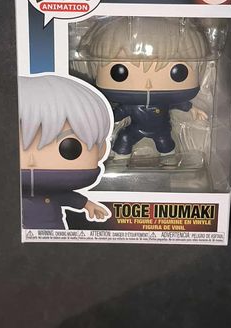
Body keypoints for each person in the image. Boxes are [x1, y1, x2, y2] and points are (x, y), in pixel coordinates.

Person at [75, 17, 209, 157]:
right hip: (136, 129)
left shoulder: (164, 103)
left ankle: (169, 162)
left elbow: (180, 104)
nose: (148, 84)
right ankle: (121, 159)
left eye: (178, 72)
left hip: (162, 130)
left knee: (166, 145)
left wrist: (194, 109)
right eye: (119, 72)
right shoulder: (130, 106)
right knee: (124, 139)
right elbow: (115, 114)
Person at [18, 75, 111, 229]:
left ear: (101, 151)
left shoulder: (54, 193)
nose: (32, 161)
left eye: (69, 148)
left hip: (55, 235)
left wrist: (87, 204)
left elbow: (67, 197)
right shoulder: (7, 194)